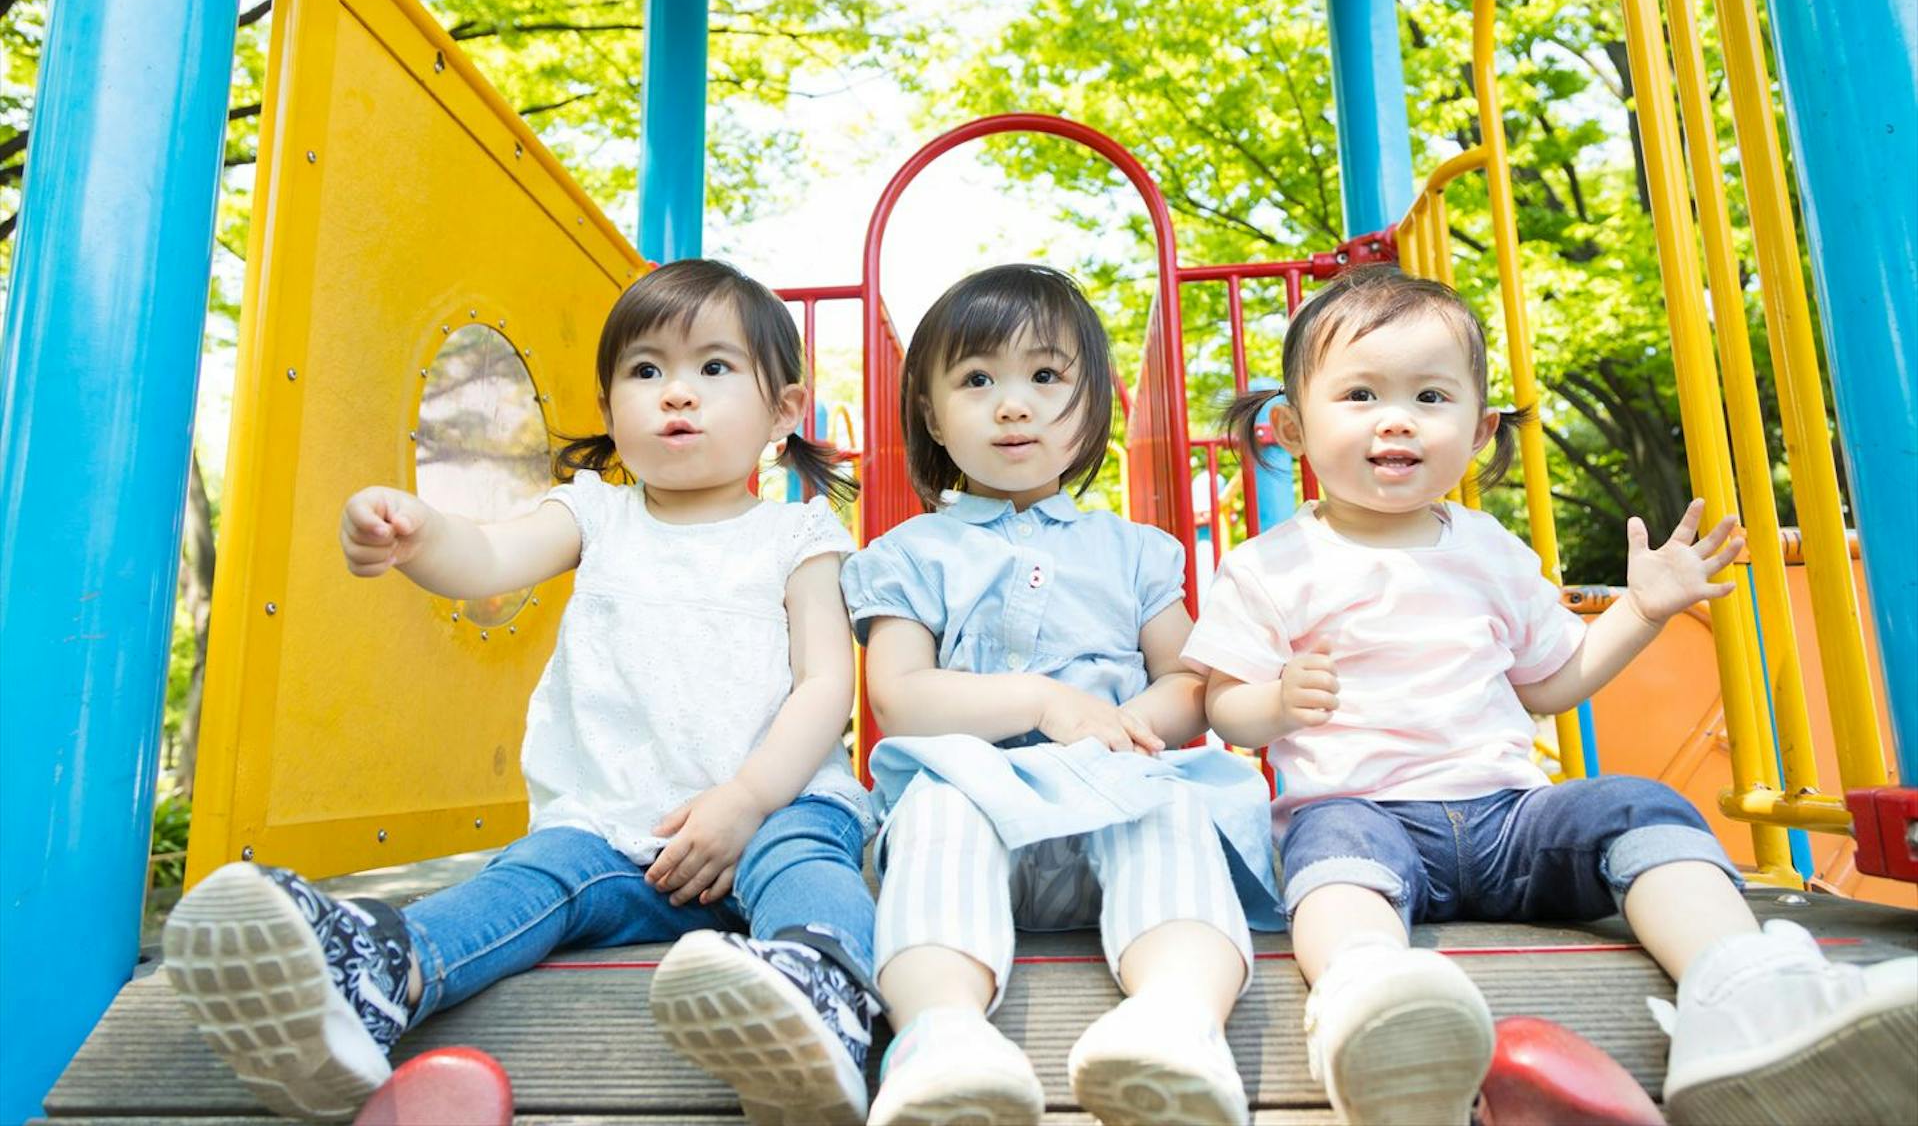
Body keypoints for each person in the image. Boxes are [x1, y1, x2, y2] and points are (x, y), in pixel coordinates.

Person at [1185, 264, 1918, 1126]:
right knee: (1330, 860)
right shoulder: (1272, 564)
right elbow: (1220, 703)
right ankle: (1371, 1004)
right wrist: (1273, 702)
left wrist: (1643, 609)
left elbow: (1552, 681)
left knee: (1639, 806)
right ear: (1293, 428)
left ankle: (1738, 987)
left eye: (1430, 395)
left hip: (1507, 817)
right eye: (1358, 395)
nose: (1396, 418)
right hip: (1365, 809)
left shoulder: (1490, 549)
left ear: (1479, 426)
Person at [164, 259, 884, 1125]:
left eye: (714, 368)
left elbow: (825, 683)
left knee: (809, 865)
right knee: (535, 874)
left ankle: (822, 994)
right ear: (613, 406)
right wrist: (419, 533)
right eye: (646, 370)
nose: (676, 394)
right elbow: (490, 557)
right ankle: (380, 972)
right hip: (624, 831)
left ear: (783, 412)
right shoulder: (596, 514)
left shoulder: (796, 532)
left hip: (777, 803)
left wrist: (745, 799)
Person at [842, 264, 1280, 1126]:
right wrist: (1040, 699)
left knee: (1171, 812)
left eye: (1046, 377)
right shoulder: (914, 550)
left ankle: (1177, 1023)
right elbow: (898, 694)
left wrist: (1130, 725)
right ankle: (940, 1036)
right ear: (931, 414)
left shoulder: (1135, 551)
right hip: (979, 801)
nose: (1014, 404)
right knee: (935, 812)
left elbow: (1188, 682)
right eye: (978, 380)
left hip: (1109, 791)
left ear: (1091, 405)